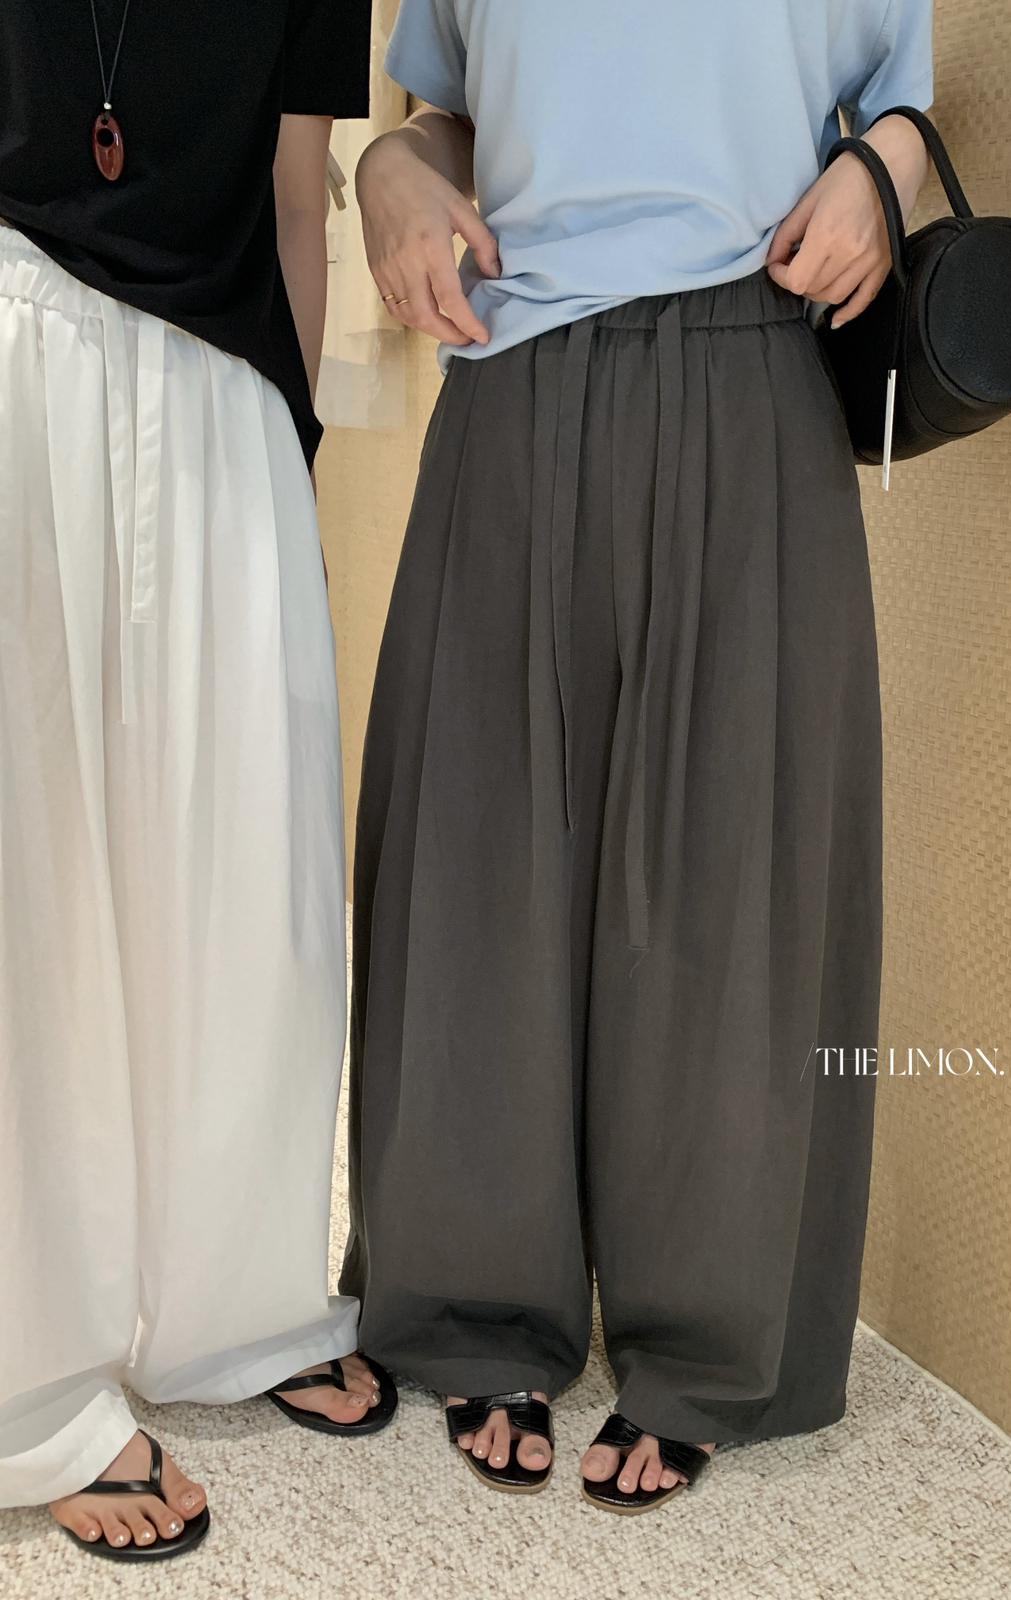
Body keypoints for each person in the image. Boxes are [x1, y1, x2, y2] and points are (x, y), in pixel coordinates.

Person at [342, 0, 934, 1514]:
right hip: (514, 374)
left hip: (753, 362)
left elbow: (902, 106)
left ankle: (709, 1336)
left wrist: (884, 173)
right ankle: (473, 1299)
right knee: (481, 852)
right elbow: (454, 115)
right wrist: (391, 169)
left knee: (735, 869)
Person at [0, 0, 396, 1563]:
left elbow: (298, 199)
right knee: (30, 882)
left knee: (245, 867)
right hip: (15, 347)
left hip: (225, 391)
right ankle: (27, 1383)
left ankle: (236, 1305)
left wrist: (290, 457)